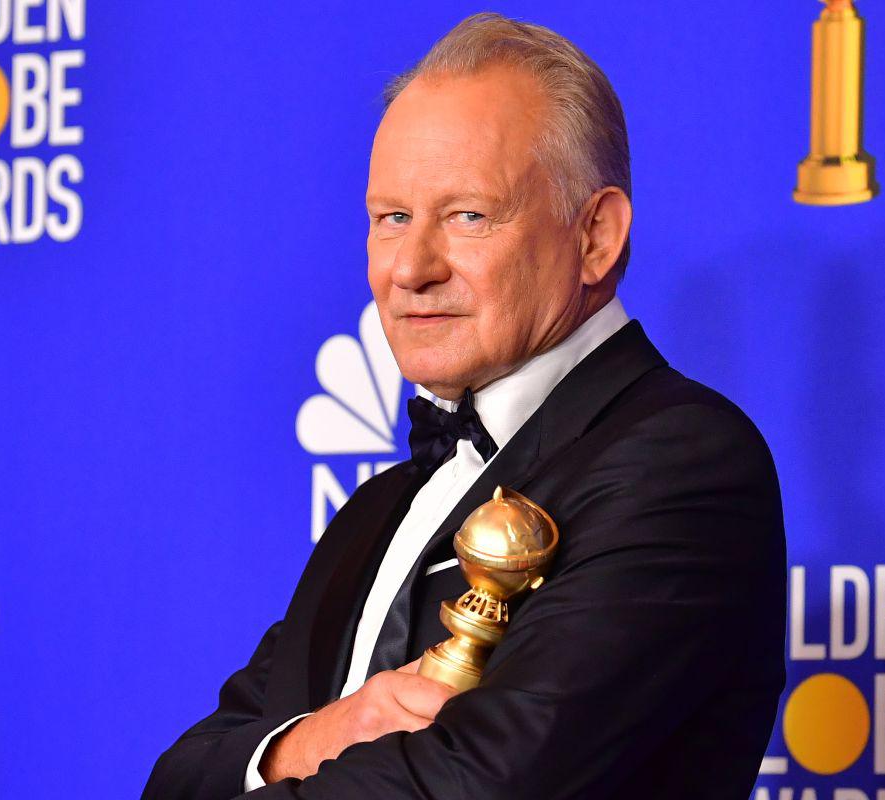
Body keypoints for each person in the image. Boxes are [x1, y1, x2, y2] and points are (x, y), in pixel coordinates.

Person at [143, 12, 785, 800]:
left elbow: (479, 785)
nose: (410, 267)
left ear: (596, 236)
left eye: (468, 215)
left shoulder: (683, 465)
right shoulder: (381, 510)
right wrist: (313, 738)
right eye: (391, 219)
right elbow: (180, 774)